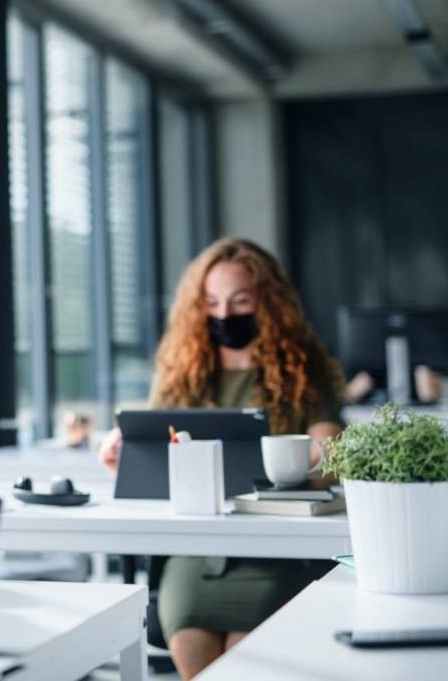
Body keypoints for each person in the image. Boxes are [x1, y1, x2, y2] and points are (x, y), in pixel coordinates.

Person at [98, 237, 344, 680]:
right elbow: (153, 442)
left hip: (277, 550)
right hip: (198, 553)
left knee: (242, 655)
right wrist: (124, 452)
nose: (224, 315)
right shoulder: (182, 369)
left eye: (240, 300)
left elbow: (329, 449)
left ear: (267, 303)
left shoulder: (304, 367)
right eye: (211, 302)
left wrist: (311, 453)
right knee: (193, 644)